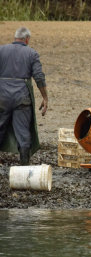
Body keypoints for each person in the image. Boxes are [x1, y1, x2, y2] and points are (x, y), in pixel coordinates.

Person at [0, 27, 48, 165]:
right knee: (22, 131)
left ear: (15, 37)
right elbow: (39, 77)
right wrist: (45, 98)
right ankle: (24, 163)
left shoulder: (1, 50)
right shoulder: (32, 53)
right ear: (27, 39)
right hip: (21, 98)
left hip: (2, 97)